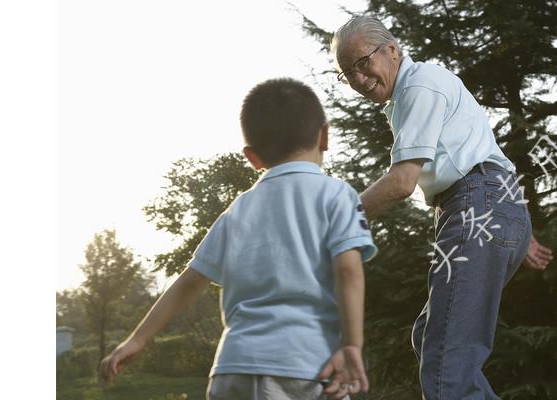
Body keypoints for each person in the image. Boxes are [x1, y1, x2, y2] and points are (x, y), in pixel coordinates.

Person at [99, 78, 377, 400]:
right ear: (324, 135)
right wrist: (351, 344)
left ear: (252, 157)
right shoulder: (338, 195)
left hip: (233, 367)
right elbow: (348, 271)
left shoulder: (238, 209)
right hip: (306, 368)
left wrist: (138, 339)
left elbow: (189, 280)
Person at [331, 16, 554, 399]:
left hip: (474, 206)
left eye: (362, 62)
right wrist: (517, 226)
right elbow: (486, 153)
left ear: (392, 50)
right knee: (434, 337)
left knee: (447, 363)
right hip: (490, 208)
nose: (357, 79)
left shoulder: (419, 84)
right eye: (346, 73)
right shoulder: (416, 91)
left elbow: (402, 183)